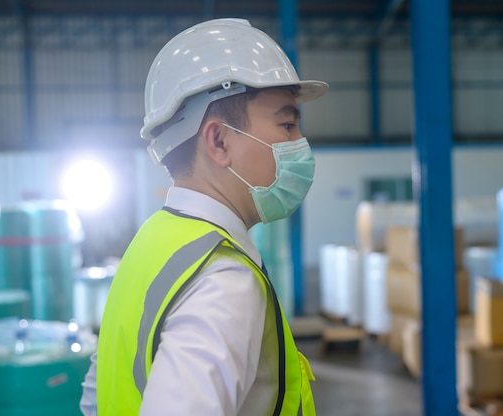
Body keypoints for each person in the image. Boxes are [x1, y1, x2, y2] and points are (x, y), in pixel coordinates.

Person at [79, 18, 328, 416]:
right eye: (287, 124)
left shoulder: (152, 242)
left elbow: (97, 395)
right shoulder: (223, 282)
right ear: (218, 141)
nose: (299, 143)